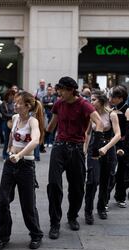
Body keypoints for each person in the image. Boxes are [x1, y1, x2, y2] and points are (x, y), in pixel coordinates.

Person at [46, 77, 103, 239]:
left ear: (71, 90)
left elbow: (99, 123)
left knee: (77, 188)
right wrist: (40, 134)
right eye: (58, 90)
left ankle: (72, 216)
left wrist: (96, 147)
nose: (59, 93)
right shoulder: (59, 103)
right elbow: (52, 125)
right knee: (54, 185)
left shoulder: (84, 105)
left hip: (77, 149)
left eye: (62, 90)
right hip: (59, 147)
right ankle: (54, 223)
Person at [0, 91, 44, 250]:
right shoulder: (15, 118)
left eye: (18, 103)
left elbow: (36, 140)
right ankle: (4, 236)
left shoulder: (33, 122)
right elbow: (11, 137)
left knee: (28, 204)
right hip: (10, 164)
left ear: (27, 106)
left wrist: (20, 155)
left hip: (26, 166)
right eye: (15, 102)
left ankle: (36, 235)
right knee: (2, 202)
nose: (14, 105)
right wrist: (9, 150)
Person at [84, 91, 121, 225]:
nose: (91, 102)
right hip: (94, 147)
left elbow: (117, 135)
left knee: (106, 180)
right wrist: (84, 149)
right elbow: (87, 133)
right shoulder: (92, 114)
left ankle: (101, 207)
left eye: (93, 99)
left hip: (108, 148)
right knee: (92, 181)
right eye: (90, 99)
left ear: (101, 101)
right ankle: (88, 211)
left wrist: (106, 148)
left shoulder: (112, 114)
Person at [108, 85, 129, 208]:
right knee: (110, 173)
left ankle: (120, 197)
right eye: (111, 96)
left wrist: (122, 148)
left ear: (120, 98)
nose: (111, 99)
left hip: (123, 144)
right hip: (111, 143)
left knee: (122, 172)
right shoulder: (111, 109)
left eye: (114, 97)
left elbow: (128, 133)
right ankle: (105, 199)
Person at [0, 89, 16, 160]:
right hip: (6, 123)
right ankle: (5, 154)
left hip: (14, 122)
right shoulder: (3, 104)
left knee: (14, 139)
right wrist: (13, 115)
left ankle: (11, 153)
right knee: (7, 139)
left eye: (13, 95)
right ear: (7, 96)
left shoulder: (14, 103)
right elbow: (4, 114)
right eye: (11, 95)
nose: (12, 97)